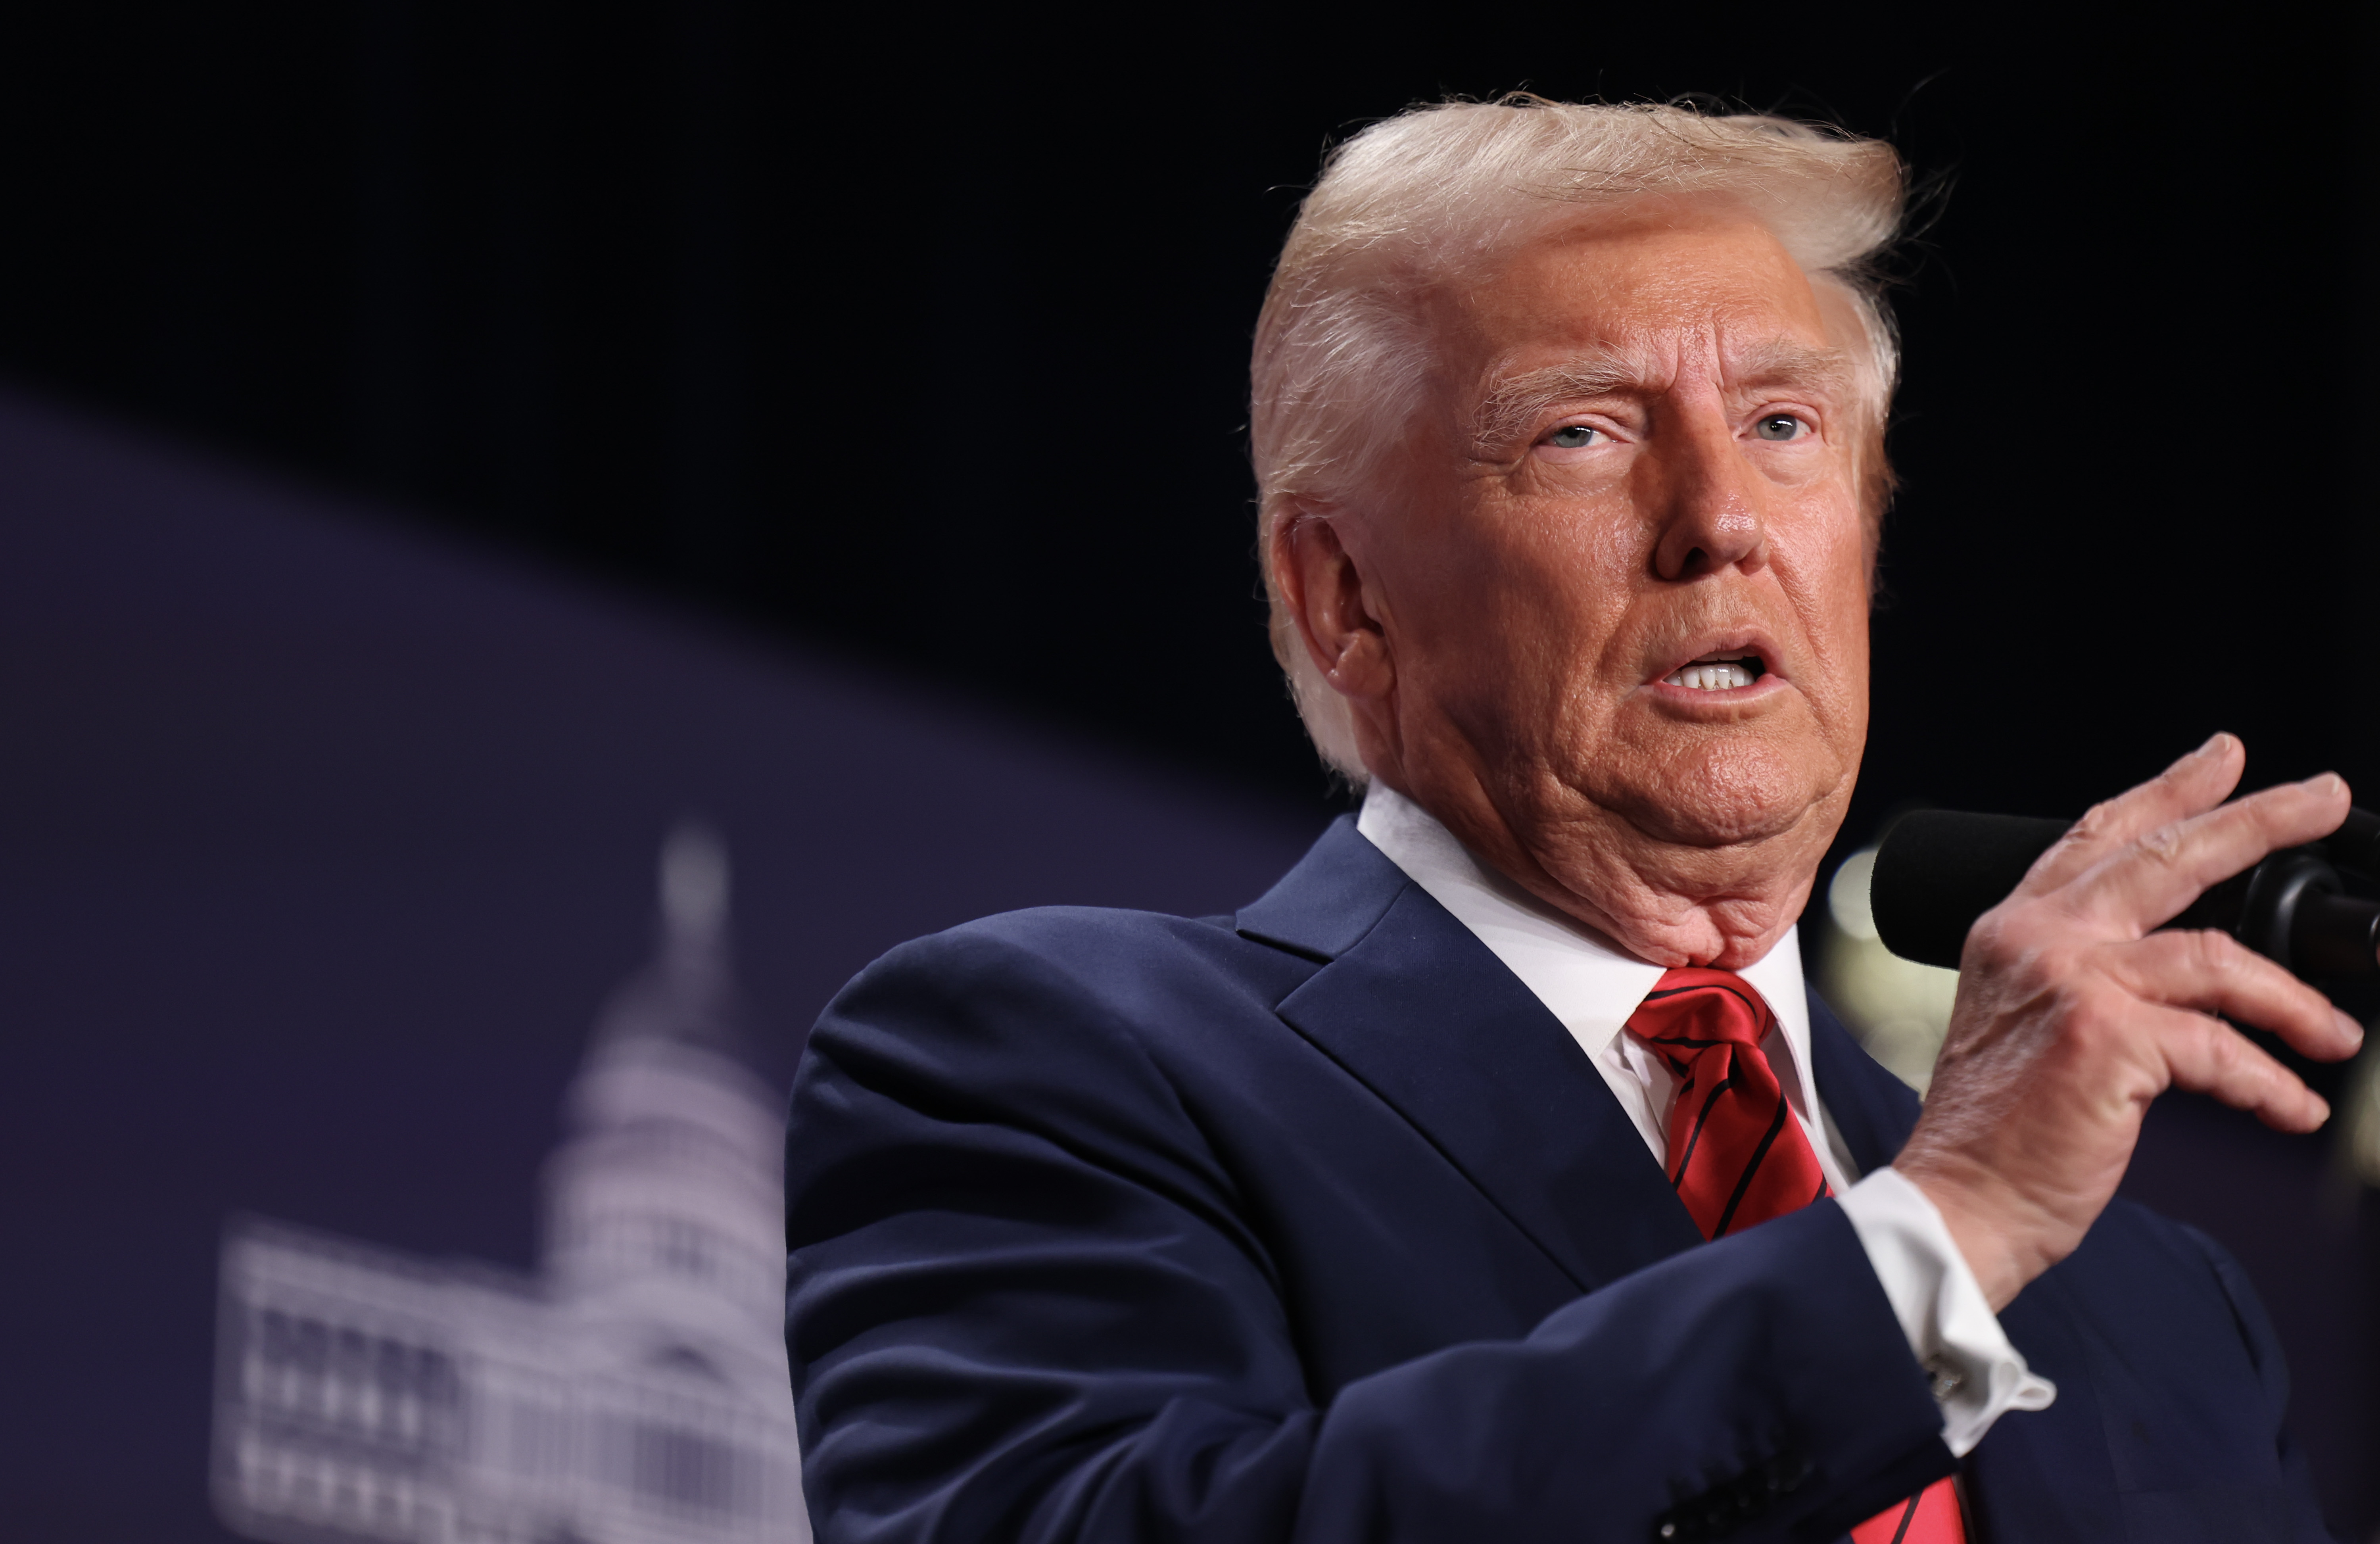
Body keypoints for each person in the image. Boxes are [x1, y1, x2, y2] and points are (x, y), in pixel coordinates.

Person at [780, 98, 2359, 1542]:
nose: (1722, 520)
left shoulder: (2164, 1308)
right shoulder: (1051, 1065)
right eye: (1584, 431)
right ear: (1345, 599)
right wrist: (1934, 1246)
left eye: (1784, 426)